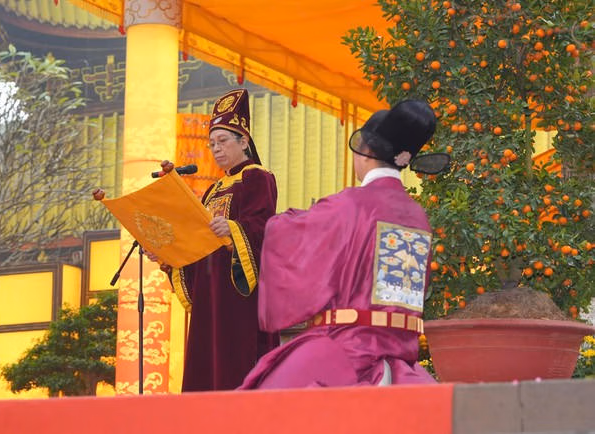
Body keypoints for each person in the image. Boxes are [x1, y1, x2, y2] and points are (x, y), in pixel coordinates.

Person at [239, 99, 449, 389]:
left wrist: (281, 220)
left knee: (260, 406)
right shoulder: (417, 216)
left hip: (347, 351)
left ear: (366, 152)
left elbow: (286, 236)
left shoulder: (349, 206)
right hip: (402, 360)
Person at [149, 89, 279, 392]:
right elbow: (199, 240)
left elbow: (264, 228)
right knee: (207, 366)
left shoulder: (257, 177)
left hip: (238, 294)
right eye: (212, 144)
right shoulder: (214, 189)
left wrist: (233, 229)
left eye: (222, 141)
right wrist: (171, 255)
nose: (216, 149)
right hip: (211, 292)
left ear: (243, 141)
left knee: (236, 364)